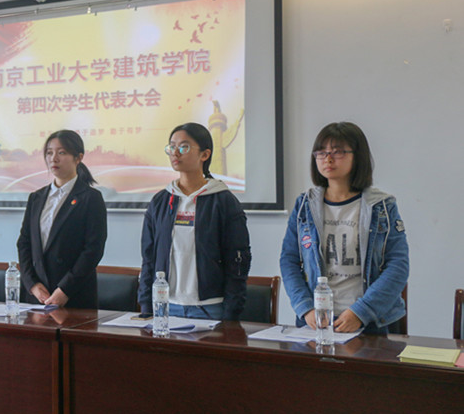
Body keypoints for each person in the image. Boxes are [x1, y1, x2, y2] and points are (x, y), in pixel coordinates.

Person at [280, 122, 409, 334]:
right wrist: (305, 307)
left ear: (357, 156)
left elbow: (398, 265)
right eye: (321, 152)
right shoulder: (305, 205)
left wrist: (361, 312)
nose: (328, 159)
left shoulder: (381, 206)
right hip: (316, 320)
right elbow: (289, 260)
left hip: (367, 320)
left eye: (337, 152)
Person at [139, 122, 251, 320]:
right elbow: (149, 258)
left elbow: (238, 259)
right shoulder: (161, 201)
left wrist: (232, 309)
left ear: (204, 155)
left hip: (210, 307)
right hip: (165, 305)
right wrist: (146, 305)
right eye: (172, 147)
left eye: (184, 147)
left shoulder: (223, 201)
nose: (175, 153)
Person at [17, 130, 107, 309]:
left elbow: (93, 250)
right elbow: (24, 243)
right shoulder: (36, 198)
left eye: (62, 152)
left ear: (78, 157)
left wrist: (65, 289)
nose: (54, 159)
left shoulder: (90, 198)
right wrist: (32, 284)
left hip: (74, 295)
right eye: (49, 153)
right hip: (38, 296)